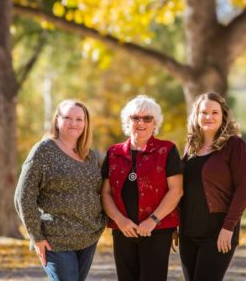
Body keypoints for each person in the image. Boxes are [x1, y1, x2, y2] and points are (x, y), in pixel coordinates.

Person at [14, 99, 107, 281]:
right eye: (68, 117)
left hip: (88, 237)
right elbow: (23, 196)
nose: (74, 123)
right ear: (57, 120)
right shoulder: (43, 151)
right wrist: (36, 237)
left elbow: (102, 190)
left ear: (86, 123)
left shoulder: (91, 155)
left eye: (79, 119)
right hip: (55, 239)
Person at [101, 95, 183, 281]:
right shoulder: (114, 153)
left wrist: (152, 220)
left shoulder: (167, 150)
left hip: (157, 230)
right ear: (127, 121)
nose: (141, 122)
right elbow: (105, 193)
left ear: (155, 123)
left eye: (147, 118)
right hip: (123, 230)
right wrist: (120, 220)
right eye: (135, 117)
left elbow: (176, 190)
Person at [179, 92, 246, 281]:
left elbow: (244, 188)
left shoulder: (235, 145)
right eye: (203, 112)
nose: (209, 117)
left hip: (218, 230)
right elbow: (182, 188)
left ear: (223, 116)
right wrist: (175, 225)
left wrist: (228, 227)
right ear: (196, 116)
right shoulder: (191, 146)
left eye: (215, 112)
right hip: (188, 229)